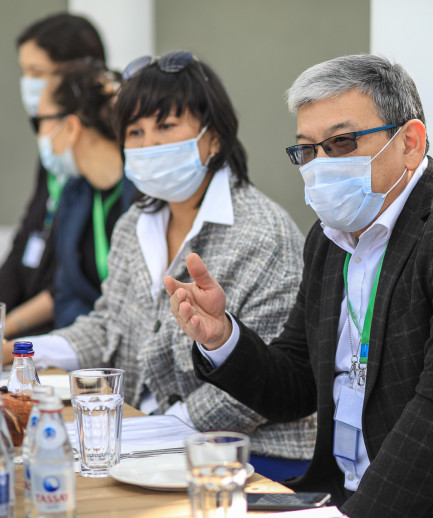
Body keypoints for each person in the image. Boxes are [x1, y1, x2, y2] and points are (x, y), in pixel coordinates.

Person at [165, 54, 433, 518]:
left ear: (410, 142)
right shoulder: (330, 238)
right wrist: (223, 337)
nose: (321, 165)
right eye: (308, 150)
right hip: (339, 506)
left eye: (342, 143)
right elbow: (298, 384)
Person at [3, 51, 316, 481]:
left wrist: (151, 431)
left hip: (254, 455)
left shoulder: (264, 233)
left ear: (214, 138)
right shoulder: (135, 222)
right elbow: (107, 326)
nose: (148, 145)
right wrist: (21, 351)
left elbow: (261, 385)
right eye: (135, 131)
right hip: (148, 440)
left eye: (166, 126)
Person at [1, 13, 106, 338]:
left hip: (65, 334)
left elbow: (75, 280)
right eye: (24, 72)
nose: (28, 84)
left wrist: (8, 328)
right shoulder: (52, 156)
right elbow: (26, 239)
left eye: (37, 72)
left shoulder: (99, 174)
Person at [35, 60, 136, 327]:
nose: (39, 136)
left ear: (70, 127)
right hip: (88, 346)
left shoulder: (147, 189)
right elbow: (67, 295)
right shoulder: (73, 193)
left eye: (40, 122)